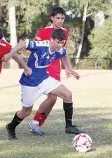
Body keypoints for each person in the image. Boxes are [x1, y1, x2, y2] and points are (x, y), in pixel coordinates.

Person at [3, 29, 82, 140]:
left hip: (44, 79)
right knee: (26, 112)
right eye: (58, 42)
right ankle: (11, 126)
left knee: (67, 95)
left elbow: (65, 55)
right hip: (29, 82)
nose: (60, 45)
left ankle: (69, 126)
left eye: (62, 42)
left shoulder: (60, 50)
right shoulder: (41, 45)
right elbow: (23, 43)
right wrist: (9, 54)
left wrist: (71, 70)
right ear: (51, 40)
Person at [29, 7, 80, 135]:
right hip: (43, 69)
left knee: (53, 99)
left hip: (55, 69)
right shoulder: (44, 31)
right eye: (57, 18)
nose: (60, 20)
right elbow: (35, 49)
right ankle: (35, 124)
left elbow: (62, 52)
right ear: (52, 18)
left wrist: (68, 68)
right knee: (52, 97)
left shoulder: (65, 33)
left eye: (62, 18)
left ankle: (36, 124)